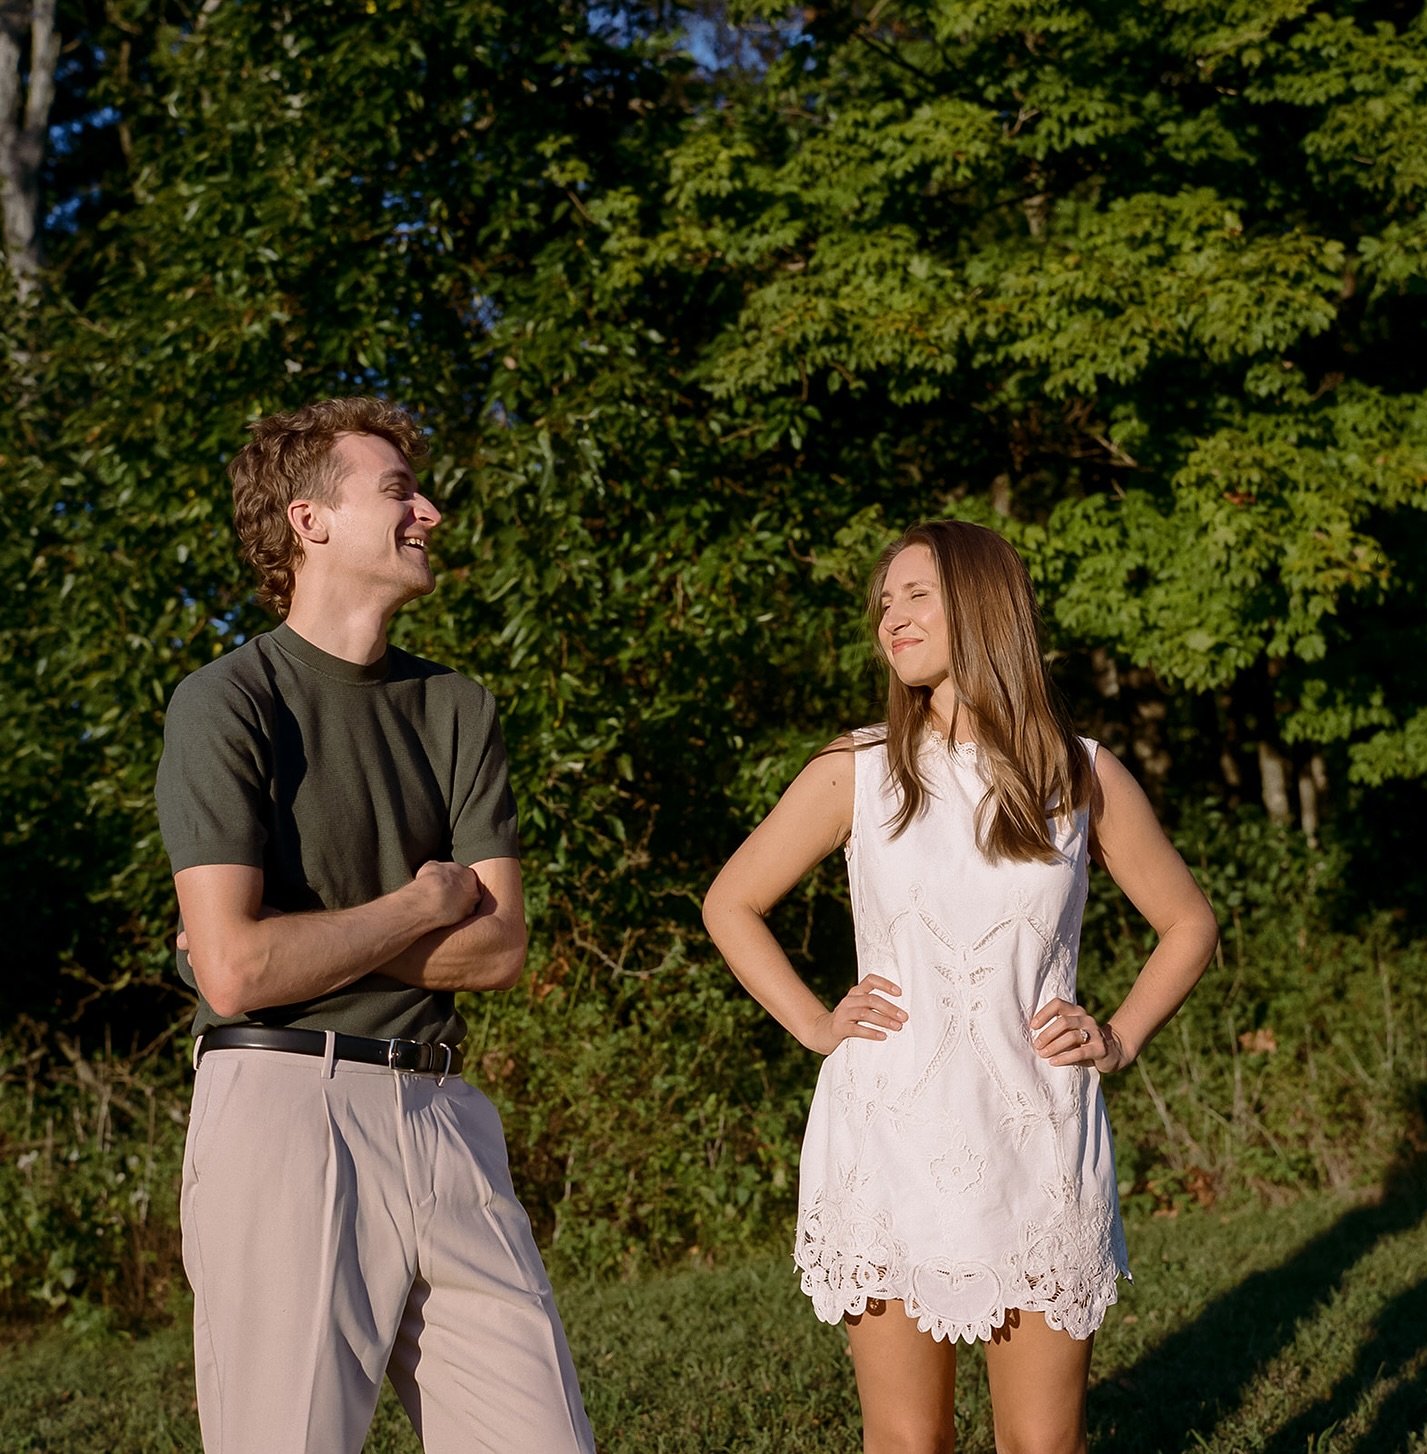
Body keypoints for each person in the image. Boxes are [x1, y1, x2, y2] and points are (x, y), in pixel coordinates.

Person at [703, 520, 1218, 1454]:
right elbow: (730, 903)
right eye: (885, 602)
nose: (892, 617)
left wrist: (1122, 1037)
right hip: (889, 1133)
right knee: (907, 1444)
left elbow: (1190, 923)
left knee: (1041, 1445)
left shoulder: (1079, 769)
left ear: (983, 607)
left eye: (917, 595)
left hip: (1038, 1132)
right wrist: (818, 1024)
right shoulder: (857, 768)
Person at [155, 397, 594, 1454]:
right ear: (309, 520)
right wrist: (420, 901)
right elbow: (233, 968)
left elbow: (500, 946)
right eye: (400, 491)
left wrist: (297, 937)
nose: (429, 512)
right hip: (284, 1110)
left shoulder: (458, 706)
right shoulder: (227, 701)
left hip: (444, 1112)